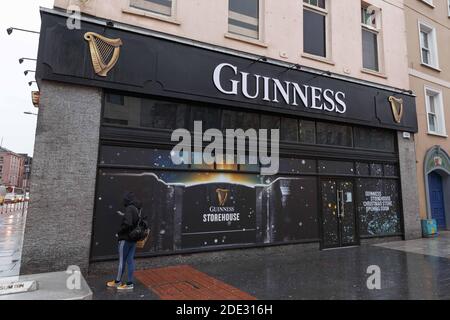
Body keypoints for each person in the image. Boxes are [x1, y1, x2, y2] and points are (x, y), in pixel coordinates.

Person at [107, 192, 141, 290]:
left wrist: (119, 232)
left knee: (122, 261)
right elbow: (134, 222)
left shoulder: (129, 208)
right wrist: (124, 215)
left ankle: (117, 282)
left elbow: (128, 223)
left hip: (125, 239)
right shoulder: (136, 209)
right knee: (130, 261)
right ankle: (129, 283)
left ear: (127, 200)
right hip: (133, 239)